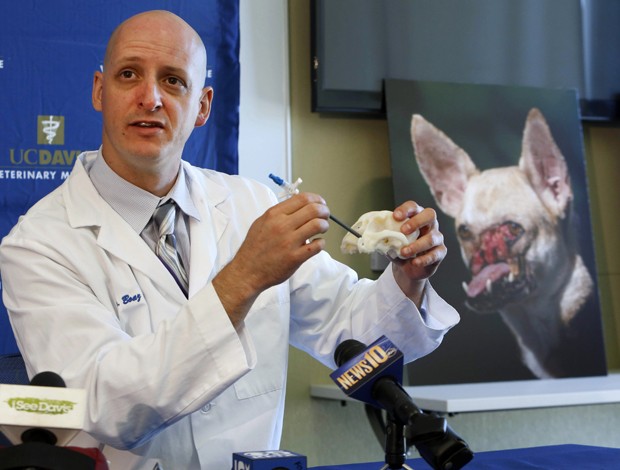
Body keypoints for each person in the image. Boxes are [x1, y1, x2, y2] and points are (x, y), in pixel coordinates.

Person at [0, 10, 459, 470]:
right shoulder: (39, 243)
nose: (150, 97)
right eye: (128, 75)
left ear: (202, 106)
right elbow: (100, 407)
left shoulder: (252, 205)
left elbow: (352, 333)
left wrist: (408, 280)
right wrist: (244, 278)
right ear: (100, 91)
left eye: (174, 81)